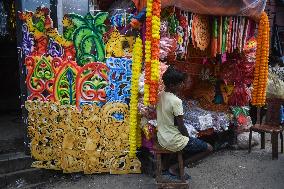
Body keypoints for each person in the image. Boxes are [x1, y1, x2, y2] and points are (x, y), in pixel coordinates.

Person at [156, 66, 213, 180]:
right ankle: (175, 168)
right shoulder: (176, 101)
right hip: (171, 140)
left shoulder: (161, 94)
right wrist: (188, 139)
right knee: (209, 148)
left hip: (161, 136)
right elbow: (181, 126)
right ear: (172, 85)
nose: (183, 85)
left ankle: (165, 166)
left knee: (182, 139)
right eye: (181, 83)